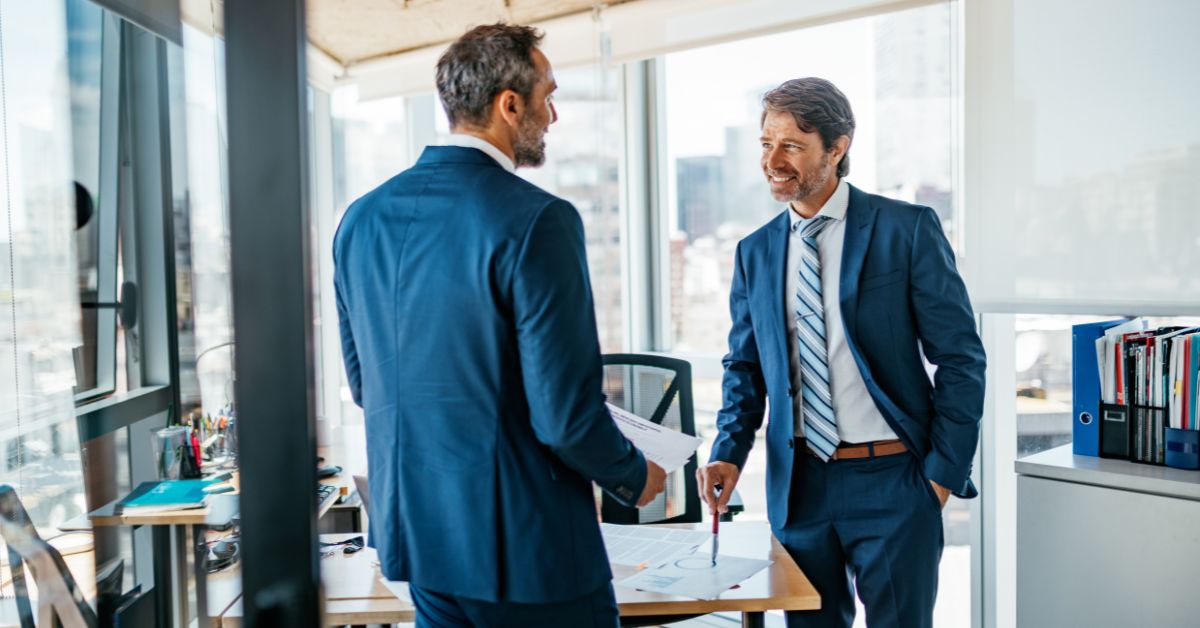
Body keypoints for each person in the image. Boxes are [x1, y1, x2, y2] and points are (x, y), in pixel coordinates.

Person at [333, 23, 666, 628]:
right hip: (527, 550)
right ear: (509, 105)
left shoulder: (361, 220)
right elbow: (564, 417)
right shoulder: (538, 221)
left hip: (422, 545)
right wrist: (635, 474)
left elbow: (367, 386)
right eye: (548, 96)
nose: (554, 115)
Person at [696, 77, 986, 628]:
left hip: (895, 480)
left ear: (838, 146)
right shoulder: (754, 252)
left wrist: (940, 477)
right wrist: (729, 451)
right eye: (765, 144)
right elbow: (745, 366)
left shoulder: (906, 230)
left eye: (791, 146)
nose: (772, 161)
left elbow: (961, 358)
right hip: (799, 486)